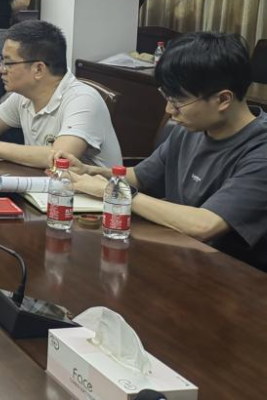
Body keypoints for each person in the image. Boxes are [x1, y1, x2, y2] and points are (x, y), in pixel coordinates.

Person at [58, 33, 267, 271]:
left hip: (234, 277)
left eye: (177, 102)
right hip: (180, 259)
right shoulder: (191, 129)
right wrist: (90, 171)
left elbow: (205, 225)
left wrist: (114, 191)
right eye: (167, 98)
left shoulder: (260, 149)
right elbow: (139, 177)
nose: (169, 110)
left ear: (223, 100)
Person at [0, 20, 122, 169]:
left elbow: (60, 158)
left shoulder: (83, 100)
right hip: (44, 184)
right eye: (1, 61)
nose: (1, 69)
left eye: (8, 63)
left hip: (91, 190)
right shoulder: (23, 96)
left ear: (38, 69)